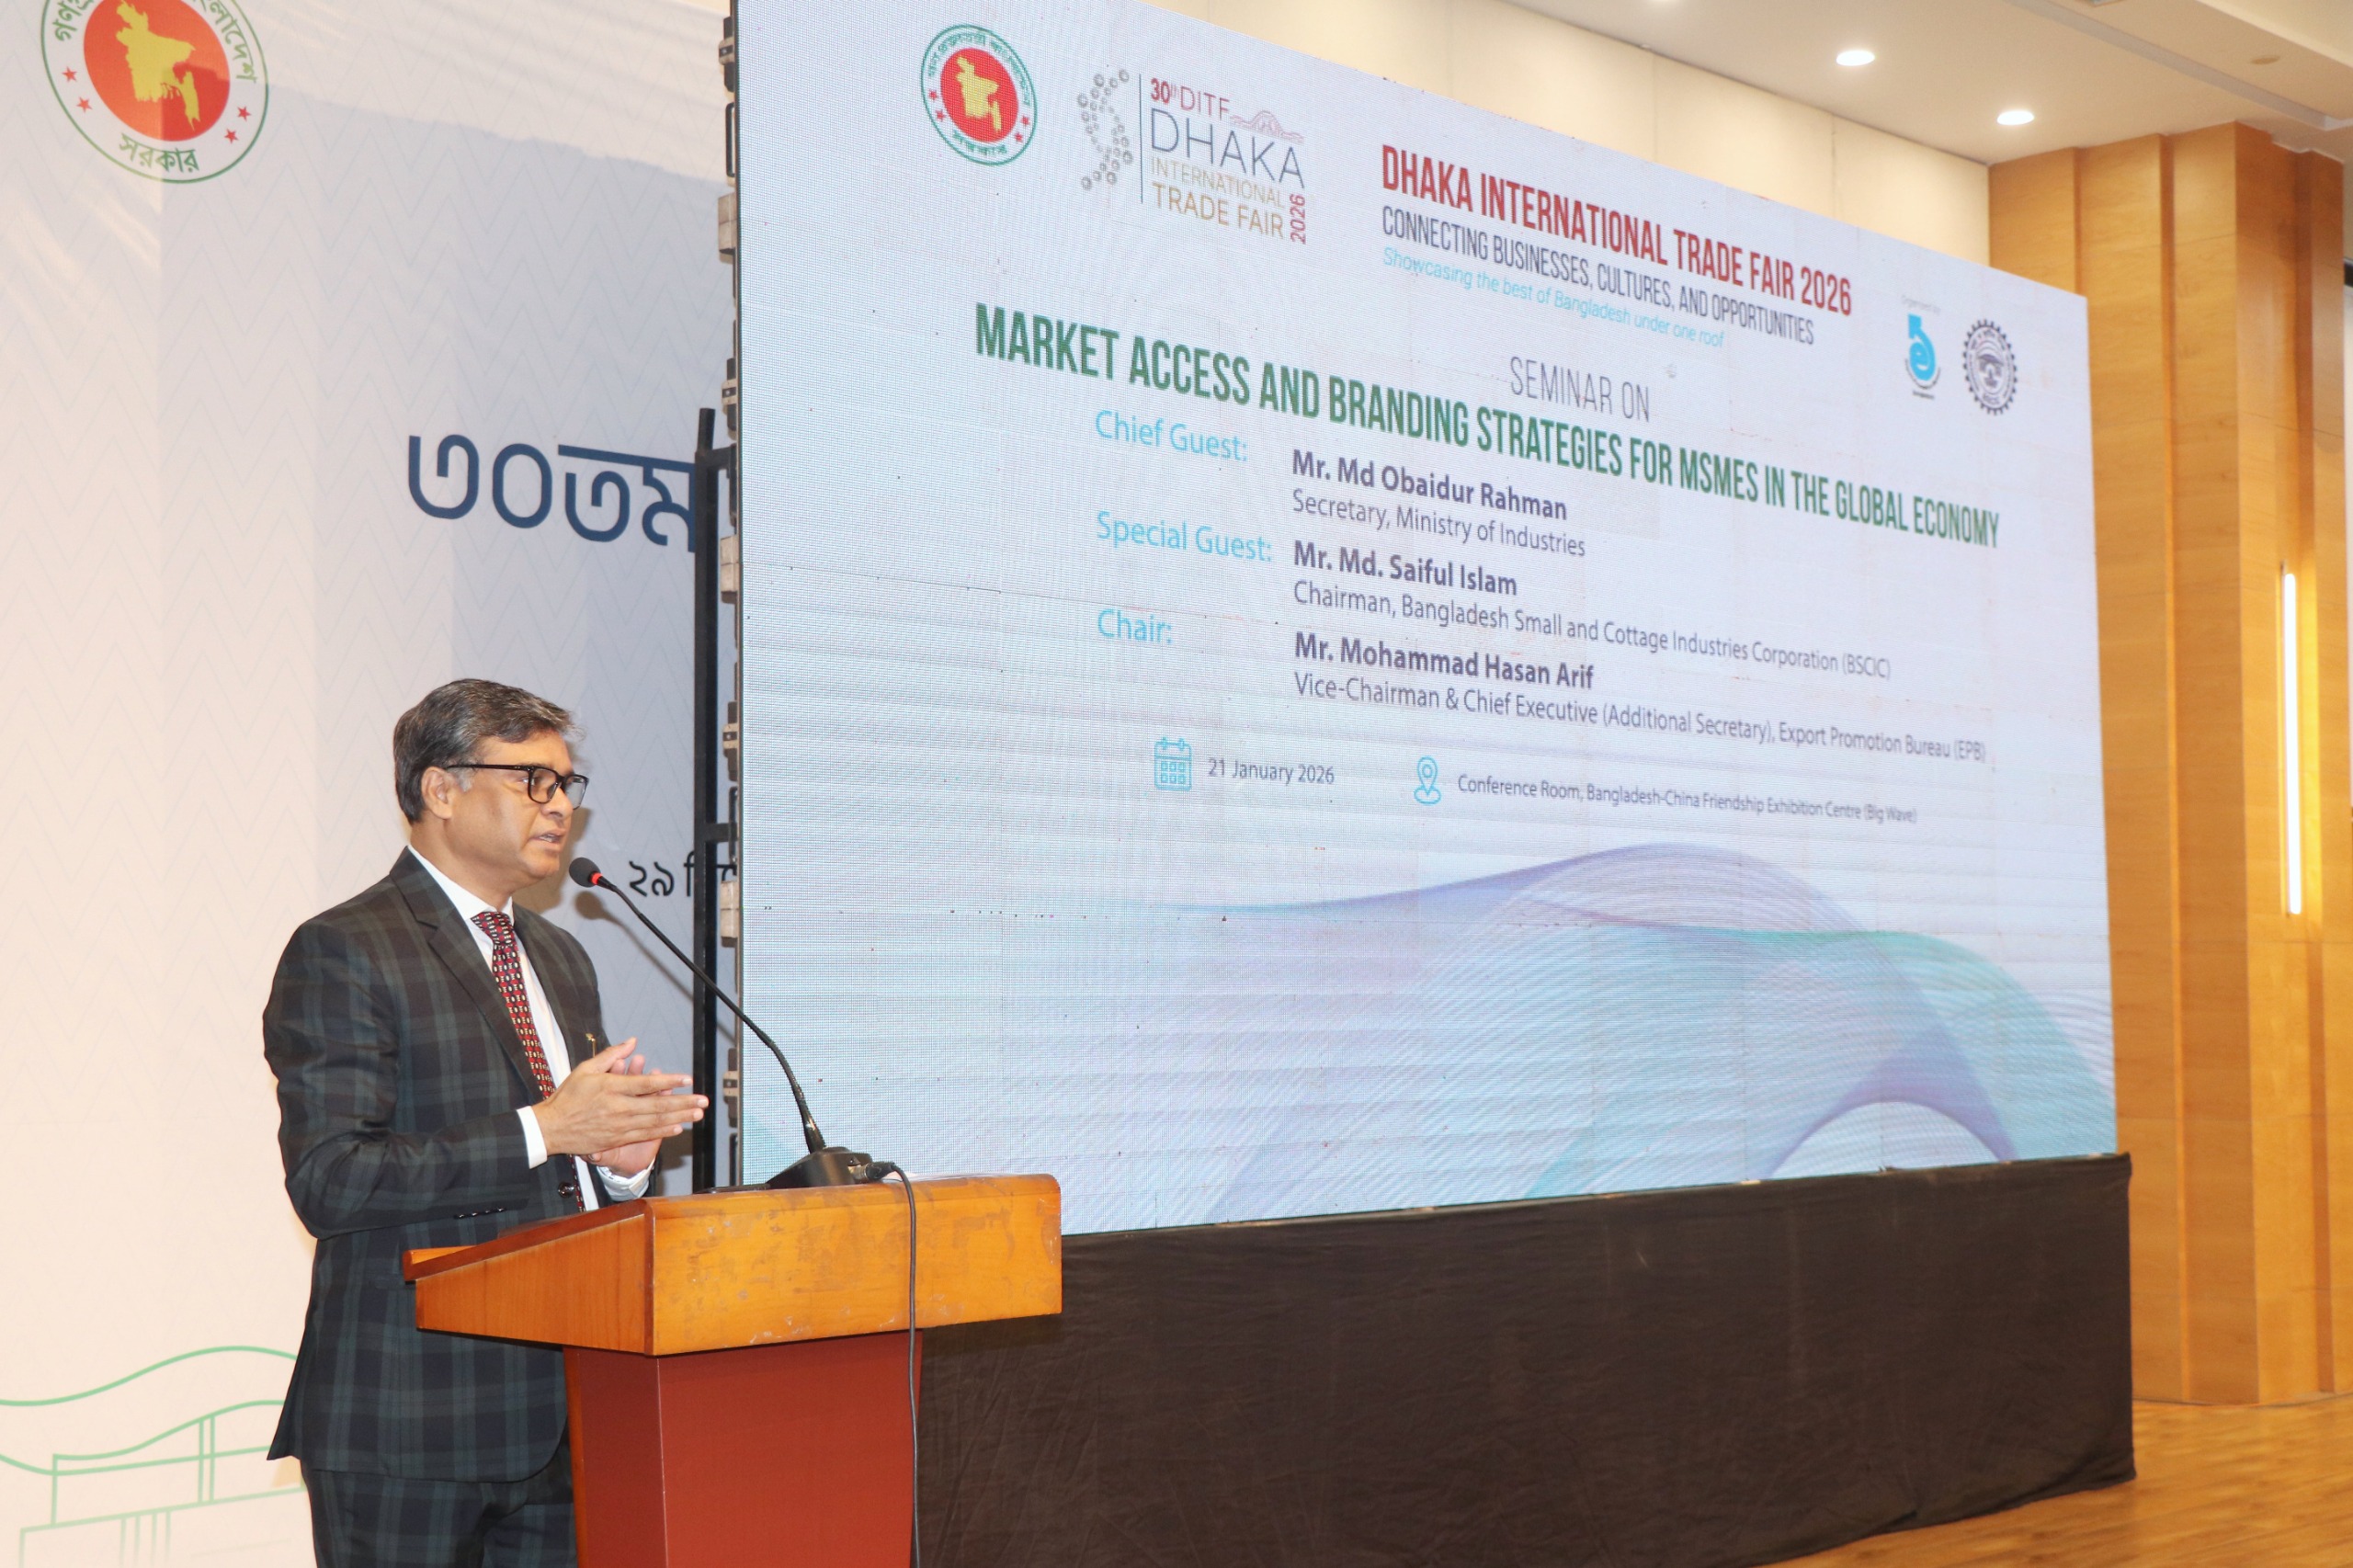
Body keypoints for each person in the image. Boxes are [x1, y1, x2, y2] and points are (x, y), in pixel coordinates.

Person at [263, 678, 707, 1566]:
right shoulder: (347, 948)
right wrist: (546, 1129)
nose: (560, 807)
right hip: (408, 1421)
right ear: (441, 789)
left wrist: (617, 1165)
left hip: (560, 1415)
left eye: (567, 784)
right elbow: (332, 1179)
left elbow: (560, 1165)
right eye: (533, 780)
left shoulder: (560, 957)